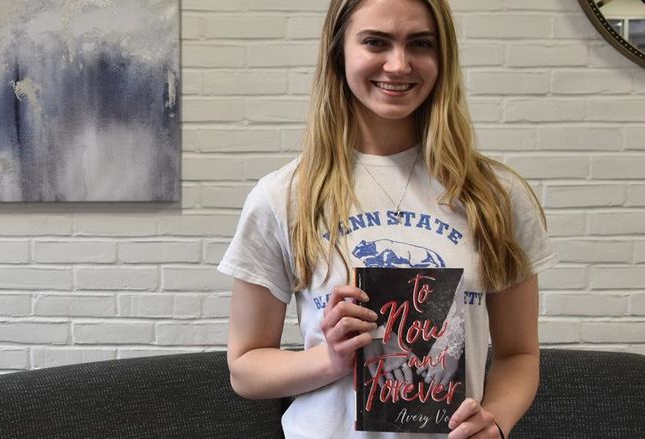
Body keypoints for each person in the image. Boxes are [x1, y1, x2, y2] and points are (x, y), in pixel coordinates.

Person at [217, 0, 558, 438]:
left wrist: (495, 422)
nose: (398, 65)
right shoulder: (283, 197)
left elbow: (518, 355)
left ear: (443, 57)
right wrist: (331, 359)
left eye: (420, 43)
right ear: (339, 51)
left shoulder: (495, 197)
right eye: (376, 42)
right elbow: (245, 369)